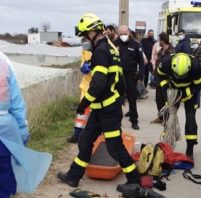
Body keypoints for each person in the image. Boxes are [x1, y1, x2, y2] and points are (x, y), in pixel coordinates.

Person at [57, 13, 140, 187]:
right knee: (85, 140)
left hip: (108, 111)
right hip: (102, 109)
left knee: (115, 147)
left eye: (84, 35)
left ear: (92, 33)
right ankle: (74, 176)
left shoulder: (101, 51)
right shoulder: (110, 48)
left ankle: (134, 180)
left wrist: (83, 103)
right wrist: (119, 98)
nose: (84, 39)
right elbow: (121, 80)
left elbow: (98, 84)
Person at [0, 52, 52, 197]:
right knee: (4, 177)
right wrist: (22, 130)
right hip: (4, 133)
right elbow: (16, 102)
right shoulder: (3, 60)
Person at [157, 53, 201, 159]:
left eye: (183, 76)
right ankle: (167, 145)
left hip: (190, 92)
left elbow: (199, 84)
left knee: (191, 119)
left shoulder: (196, 66)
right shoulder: (165, 63)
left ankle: (190, 149)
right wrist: (166, 92)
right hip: (173, 91)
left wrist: (185, 94)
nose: (180, 78)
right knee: (169, 118)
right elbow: (159, 75)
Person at [114, 25, 145, 130]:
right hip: (118, 75)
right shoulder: (114, 44)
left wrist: (141, 75)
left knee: (132, 99)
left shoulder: (136, 45)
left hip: (131, 76)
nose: (123, 36)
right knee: (117, 99)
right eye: (121, 34)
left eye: (125, 33)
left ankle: (134, 121)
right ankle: (116, 121)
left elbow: (141, 62)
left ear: (129, 33)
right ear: (118, 34)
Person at [67, 42, 92, 143]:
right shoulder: (86, 47)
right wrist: (84, 66)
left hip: (100, 84)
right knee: (82, 111)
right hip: (87, 84)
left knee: (98, 113)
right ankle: (77, 134)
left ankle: (94, 137)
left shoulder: (105, 46)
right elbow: (83, 60)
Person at [151, 32, 175, 124]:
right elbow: (158, 62)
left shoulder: (172, 51)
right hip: (159, 79)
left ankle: (167, 119)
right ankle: (161, 117)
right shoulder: (161, 51)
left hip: (167, 80)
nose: (158, 41)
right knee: (159, 100)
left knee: (167, 101)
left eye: (159, 40)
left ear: (163, 40)